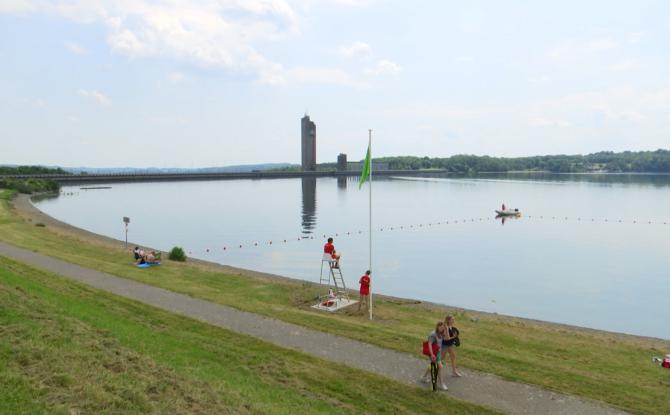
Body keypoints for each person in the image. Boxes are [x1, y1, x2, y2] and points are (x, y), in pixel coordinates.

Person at [422, 322, 448, 391]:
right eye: (441, 327)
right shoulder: (433, 334)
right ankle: (440, 384)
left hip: (438, 352)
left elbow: (446, 339)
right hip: (433, 353)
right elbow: (429, 345)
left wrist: (446, 330)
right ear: (438, 326)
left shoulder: (441, 333)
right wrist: (432, 354)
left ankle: (424, 377)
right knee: (438, 367)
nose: (442, 328)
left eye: (443, 327)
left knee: (433, 365)